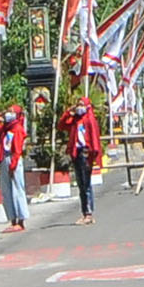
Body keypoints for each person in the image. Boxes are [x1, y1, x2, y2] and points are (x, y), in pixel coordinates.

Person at [61, 90, 105, 220]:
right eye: (78, 104)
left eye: (81, 105)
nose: (79, 107)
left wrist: (94, 154)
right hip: (77, 152)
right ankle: (84, 212)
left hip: (86, 153)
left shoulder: (89, 120)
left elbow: (94, 138)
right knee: (80, 184)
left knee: (86, 183)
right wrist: (68, 112)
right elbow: (61, 125)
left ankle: (89, 213)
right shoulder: (76, 120)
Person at [0, 91, 34, 231]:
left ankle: (21, 220)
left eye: (11, 112)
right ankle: (12, 219)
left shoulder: (17, 129)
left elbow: (17, 149)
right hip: (4, 157)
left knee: (17, 189)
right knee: (6, 190)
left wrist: (13, 164)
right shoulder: (6, 128)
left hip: (13, 159)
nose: (8, 114)